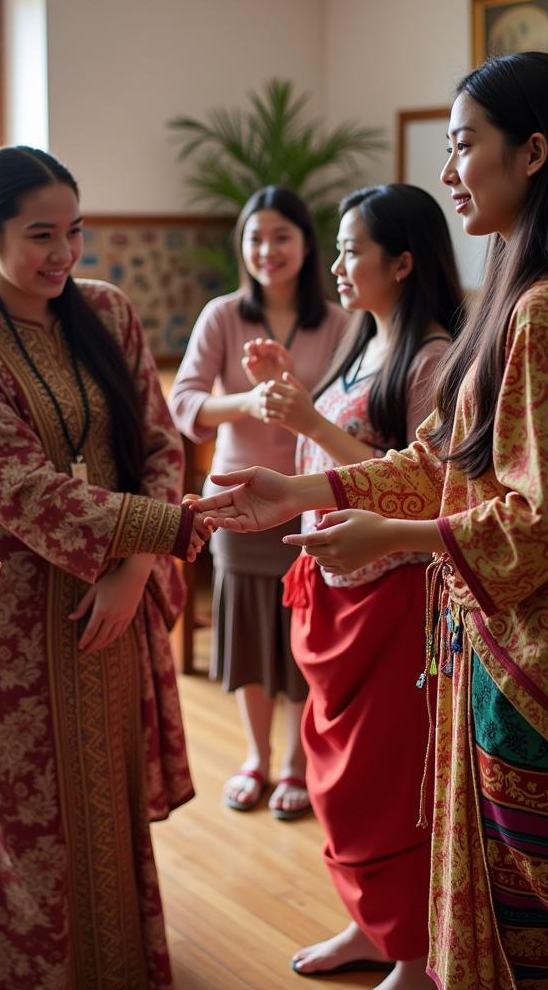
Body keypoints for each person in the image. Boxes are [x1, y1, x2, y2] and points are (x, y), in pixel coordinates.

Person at [194, 52, 548, 990]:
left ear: (532, 153)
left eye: (464, 149)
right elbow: (445, 465)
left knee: (546, 931)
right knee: (532, 912)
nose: (449, 172)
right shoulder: (531, 292)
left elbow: (545, 519)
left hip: (546, 675)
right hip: (523, 655)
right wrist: (303, 492)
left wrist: (395, 539)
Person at [0, 146, 204, 990]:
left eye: (75, 232)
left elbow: (158, 442)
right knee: (23, 806)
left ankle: (117, 960)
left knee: (101, 785)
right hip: (3, 598)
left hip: (112, 585)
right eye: (41, 235)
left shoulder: (108, 312)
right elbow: (20, 489)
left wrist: (134, 570)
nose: (63, 255)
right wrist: (171, 531)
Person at [247, 185, 457, 982]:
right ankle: (370, 925)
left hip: (394, 599)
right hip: (329, 591)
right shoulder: (360, 345)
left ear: (402, 262)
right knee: (336, 777)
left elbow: (427, 488)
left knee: (388, 779)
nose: (335, 265)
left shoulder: (434, 360)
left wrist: (308, 423)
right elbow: (324, 465)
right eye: (335, 248)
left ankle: (413, 947)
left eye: (350, 250)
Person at [169, 186, 347, 820]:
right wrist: (246, 401)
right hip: (237, 501)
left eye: (280, 236)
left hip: (314, 500)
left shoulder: (339, 321)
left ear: (306, 244)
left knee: (304, 636)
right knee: (246, 633)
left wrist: (293, 396)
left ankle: (297, 763)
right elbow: (184, 405)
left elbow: (350, 413)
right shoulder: (223, 315)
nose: (266, 250)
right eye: (254, 238)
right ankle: (256, 757)